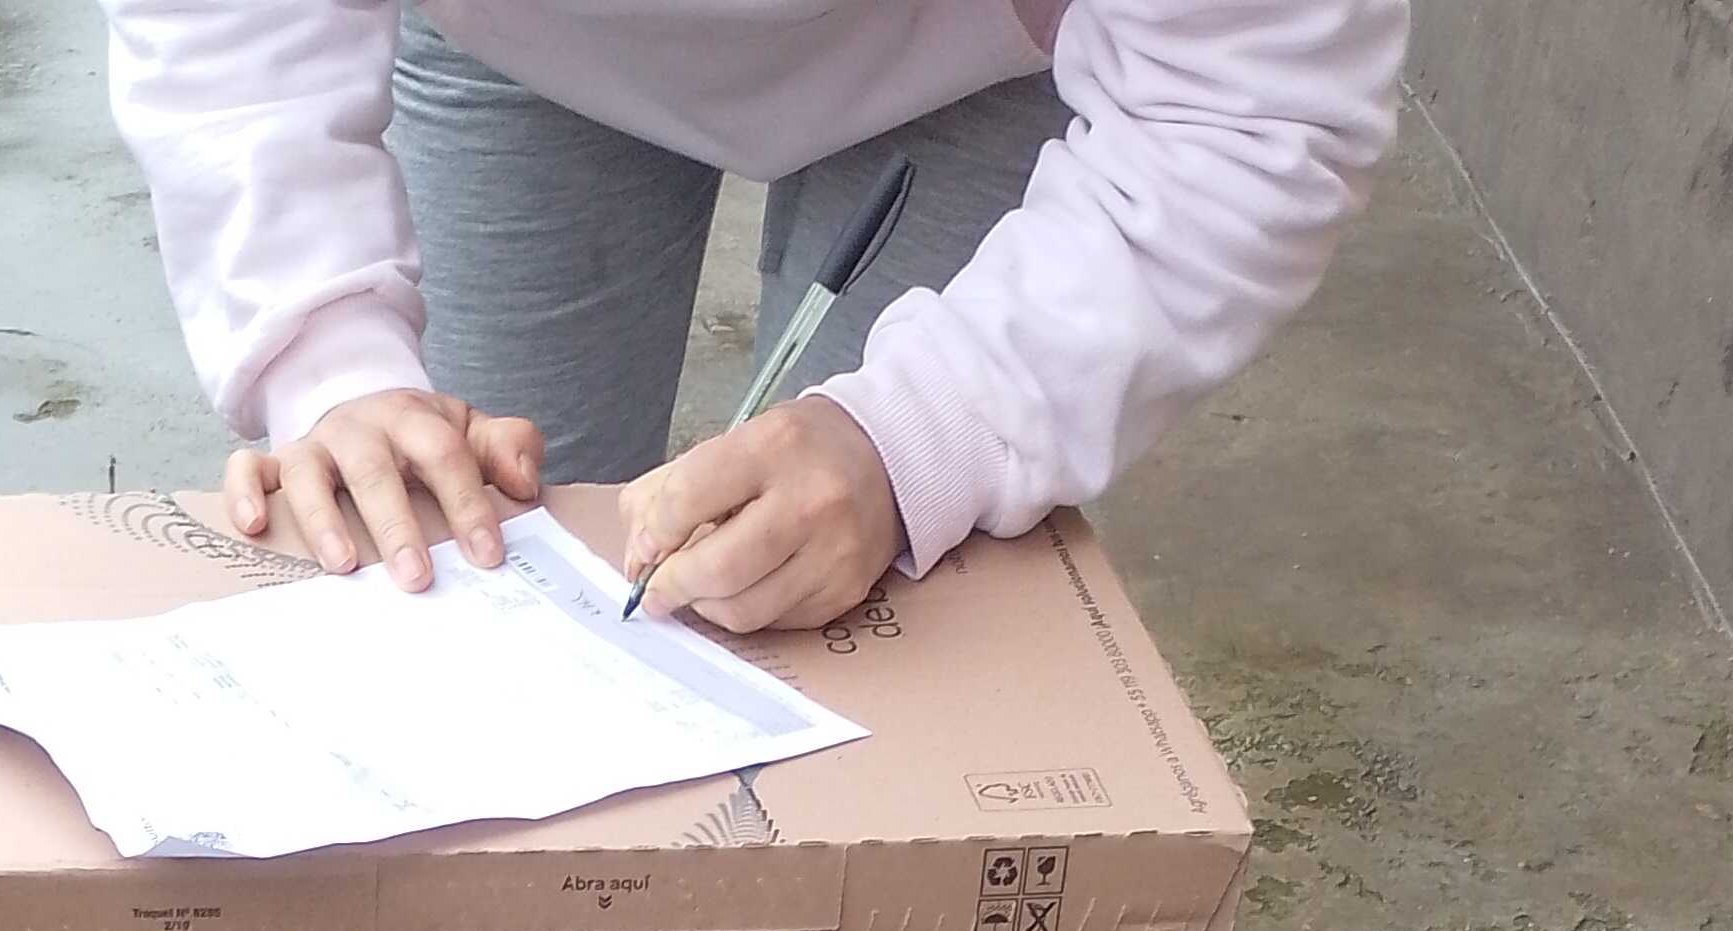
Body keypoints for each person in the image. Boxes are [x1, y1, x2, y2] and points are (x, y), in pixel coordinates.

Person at [101, 0, 1410, 633]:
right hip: (516, 33)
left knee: (832, 613)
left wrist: (925, 435)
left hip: (962, 50)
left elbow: (1248, 106)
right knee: (451, 570)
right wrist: (329, 350)